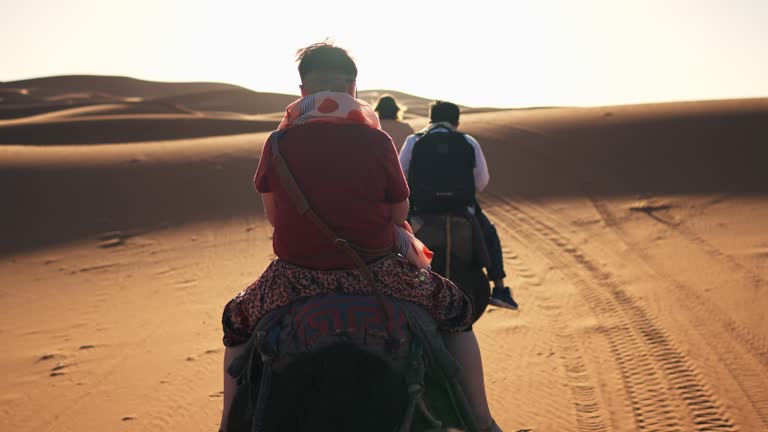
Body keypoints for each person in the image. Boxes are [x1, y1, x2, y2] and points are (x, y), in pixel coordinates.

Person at [219, 42, 502, 432]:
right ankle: (483, 423)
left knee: (235, 322)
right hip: (380, 271)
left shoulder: (278, 144)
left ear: (302, 92)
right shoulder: (377, 141)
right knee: (456, 310)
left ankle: (226, 426)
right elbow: (400, 214)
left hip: (293, 278)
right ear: (353, 88)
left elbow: (273, 217)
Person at [399, 101, 519, 310]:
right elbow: (481, 181)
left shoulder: (414, 141)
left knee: (394, 238)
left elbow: (401, 177)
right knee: (489, 233)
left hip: (420, 211)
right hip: (461, 210)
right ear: (456, 121)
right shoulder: (467, 141)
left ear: (431, 119)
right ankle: (499, 288)